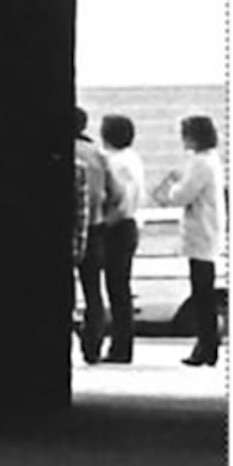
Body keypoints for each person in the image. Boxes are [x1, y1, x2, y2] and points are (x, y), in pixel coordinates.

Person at [153, 114, 225, 366]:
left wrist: (171, 186)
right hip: (207, 233)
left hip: (201, 235)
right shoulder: (211, 160)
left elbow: (182, 196)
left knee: (202, 293)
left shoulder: (200, 163)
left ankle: (206, 346)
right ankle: (207, 345)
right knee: (203, 292)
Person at [73, 107, 119, 364]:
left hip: (65, 231)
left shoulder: (59, 153)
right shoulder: (98, 155)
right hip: (96, 228)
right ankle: (93, 346)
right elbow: (115, 193)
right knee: (93, 291)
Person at [98, 114, 144, 363]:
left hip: (117, 227)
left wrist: (105, 223)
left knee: (116, 289)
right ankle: (122, 344)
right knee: (121, 288)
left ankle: (120, 347)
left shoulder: (114, 162)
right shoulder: (133, 159)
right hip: (130, 225)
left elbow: (120, 199)